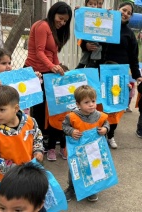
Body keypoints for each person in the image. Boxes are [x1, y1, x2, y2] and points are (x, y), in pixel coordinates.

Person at [24, 2, 72, 159]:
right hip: (35, 71)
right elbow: (39, 52)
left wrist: (58, 68)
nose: (62, 23)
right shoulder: (42, 26)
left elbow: (53, 53)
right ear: (53, 14)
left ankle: (45, 138)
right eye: (60, 18)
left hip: (48, 72)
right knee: (37, 109)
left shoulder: (53, 30)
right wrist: (53, 67)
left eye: (65, 21)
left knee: (48, 106)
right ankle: (36, 142)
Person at [0, 85, 44, 186]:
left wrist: (38, 150)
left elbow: (37, 137)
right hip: (9, 180)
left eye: (1, 110)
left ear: (16, 108)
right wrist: (11, 168)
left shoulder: (30, 122)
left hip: (31, 172)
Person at [100, 2, 142, 148]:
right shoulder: (106, 26)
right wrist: (103, 17)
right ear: (118, 10)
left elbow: (133, 57)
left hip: (119, 75)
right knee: (100, 104)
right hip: (102, 71)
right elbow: (89, 39)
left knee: (116, 105)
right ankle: (98, 133)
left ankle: (110, 135)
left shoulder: (129, 34)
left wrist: (137, 75)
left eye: (129, 13)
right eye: (124, 10)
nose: (125, 13)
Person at [62, 85, 110, 202]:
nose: (91, 104)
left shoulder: (100, 116)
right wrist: (71, 131)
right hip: (77, 152)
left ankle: (91, 189)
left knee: (94, 169)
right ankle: (72, 188)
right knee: (75, 170)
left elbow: (106, 124)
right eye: (86, 102)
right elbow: (64, 126)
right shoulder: (72, 116)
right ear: (78, 104)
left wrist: (105, 129)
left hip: (94, 151)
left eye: (93, 101)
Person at [45, 64, 70, 161]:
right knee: (53, 133)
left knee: (64, 133)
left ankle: (63, 148)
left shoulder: (69, 89)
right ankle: (51, 149)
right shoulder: (51, 89)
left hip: (66, 114)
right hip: (54, 115)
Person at [76, 0, 103, 69]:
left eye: (96, 4)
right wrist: (78, 10)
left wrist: (110, 13)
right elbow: (79, 40)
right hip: (87, 42)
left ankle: (89, 63)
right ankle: (83, 65)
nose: (93, 6)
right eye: (90, 4)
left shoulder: (102, 16)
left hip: (99, 57)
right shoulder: (85, 14)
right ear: (86, 4)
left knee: (97, 48)